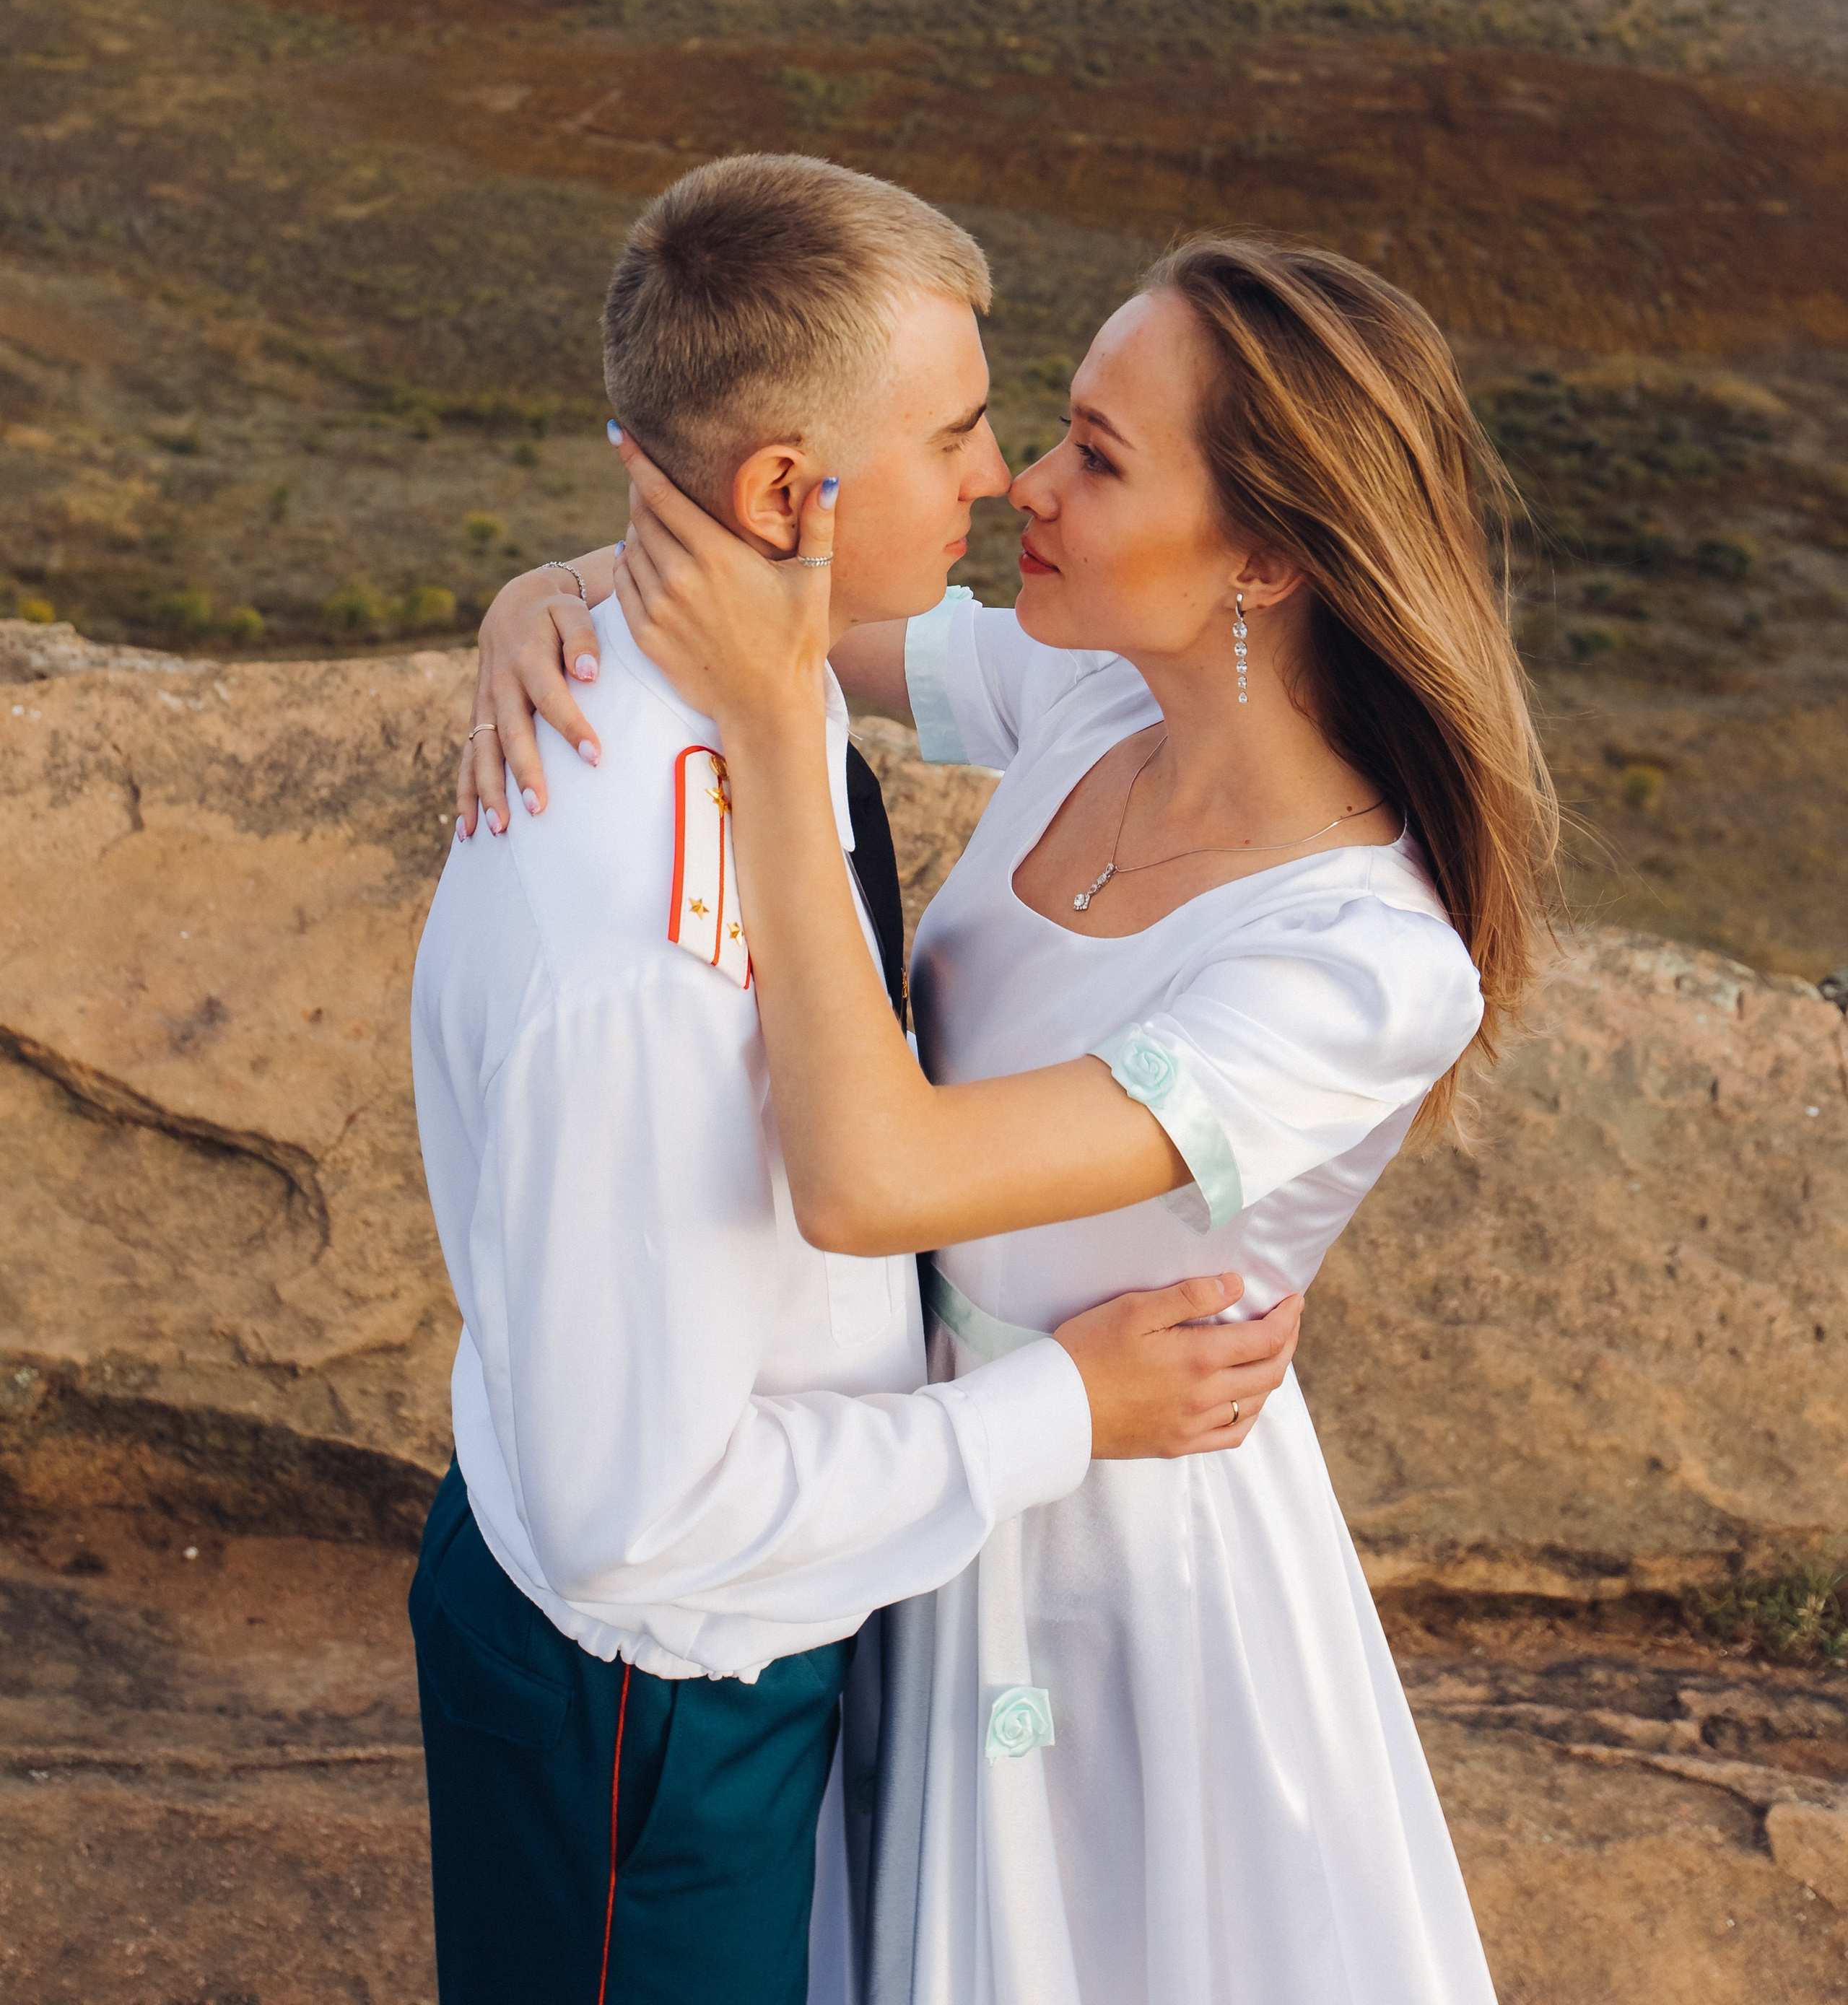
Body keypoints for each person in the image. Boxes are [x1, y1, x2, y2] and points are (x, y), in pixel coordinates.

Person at [469, 223, 1557, 2004]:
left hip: (1105, 1549)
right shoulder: (1095, 692)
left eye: (1096, 459)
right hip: (900, 1481)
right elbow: (778, 573)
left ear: (1265, 557)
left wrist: (769, 732)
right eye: (1050, 428)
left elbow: (869, 1173)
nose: (1024, 485)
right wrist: (551, 590)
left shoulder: (1357, 966)